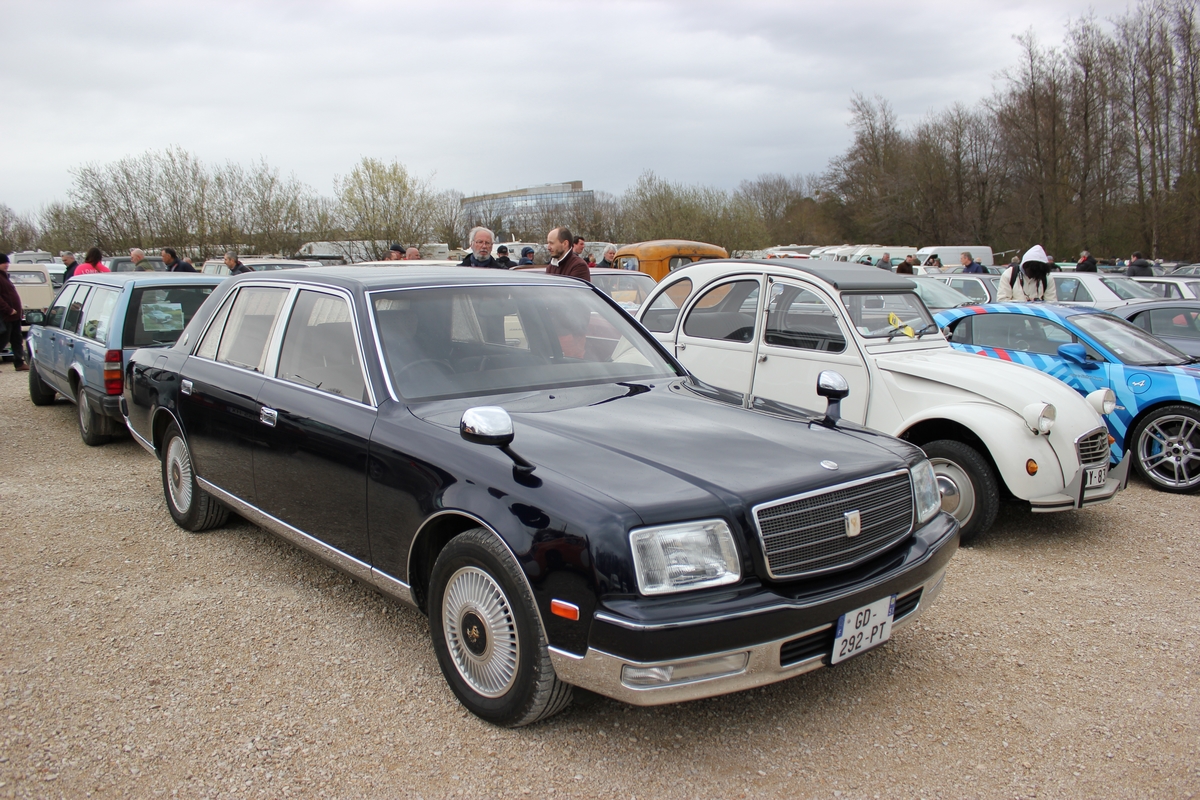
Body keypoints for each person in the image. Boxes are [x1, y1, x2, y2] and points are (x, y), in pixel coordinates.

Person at [0, 254, 28, 371]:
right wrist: (8, 309)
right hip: (5, 316)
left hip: (15, 316)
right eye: (3, 263)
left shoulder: (5, 277)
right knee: (2, 340)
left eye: (7, 262)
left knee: (17, 340)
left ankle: (19, 362)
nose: (6, 265)